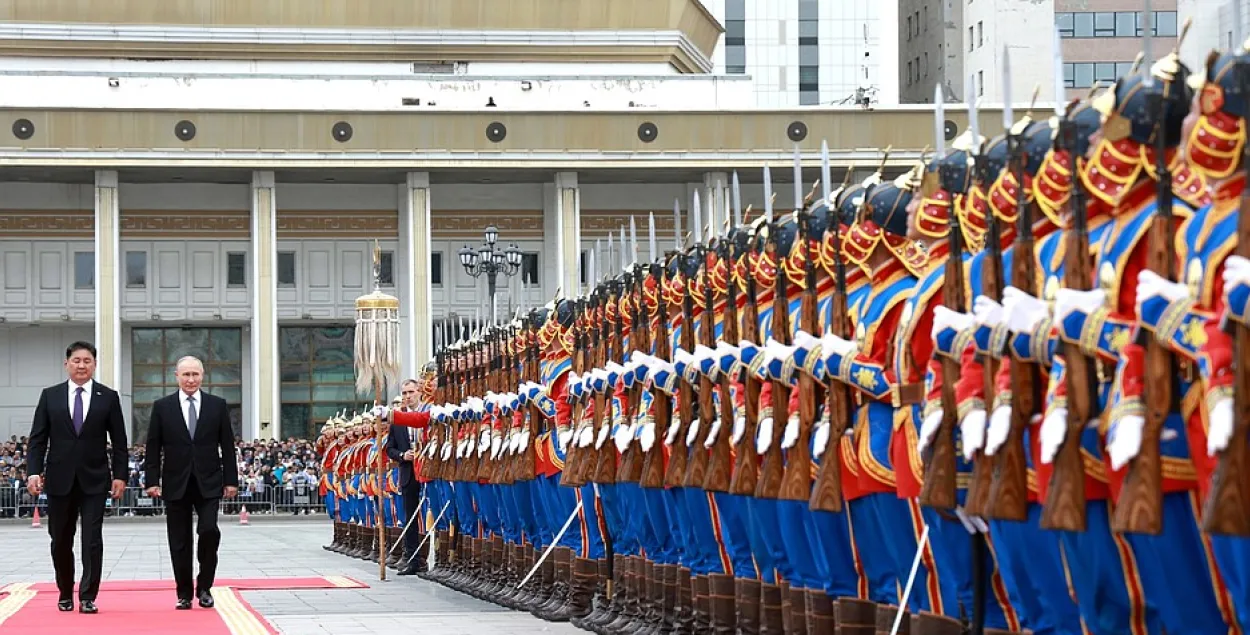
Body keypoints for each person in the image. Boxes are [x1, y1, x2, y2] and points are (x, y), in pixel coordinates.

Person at [26, 341, 129, 614]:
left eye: (87, 361)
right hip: (59, 479)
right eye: (76, 360)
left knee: (92, 539)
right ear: (67, 364)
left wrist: (120, 475)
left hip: (95, 479)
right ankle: (64, 591)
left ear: (94, 364)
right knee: (60, 539)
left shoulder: (108, 397)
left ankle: (87, 596)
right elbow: (37, 439)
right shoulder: (51, 396)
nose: (81, 365)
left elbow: (119, 441)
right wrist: (33, 472)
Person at [143, 356, 240, 610]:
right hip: (176, 482)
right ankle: (184, 592)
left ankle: (205, 586)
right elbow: (153, 446)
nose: (190, 379)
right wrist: (151, 479)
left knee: (209, 531)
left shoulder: (216, 405)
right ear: (176, 376)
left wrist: (231, 479)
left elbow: (227, 446)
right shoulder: (162, 407)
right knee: (179, 540)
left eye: (195, 374)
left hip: (209, 481)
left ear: (202, 376)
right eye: (186, 375)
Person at [385, 376, 427, 574]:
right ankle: (412, 559)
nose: (408, 396)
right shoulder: (397, 419)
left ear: (419, 391)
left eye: (411, 392)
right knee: (409, 517)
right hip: (408, 472)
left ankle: (428, 558)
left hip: (427, 470)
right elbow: (389, 449)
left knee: (430, 516)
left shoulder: (429, 411)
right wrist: (403, 455)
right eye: (404, 393)